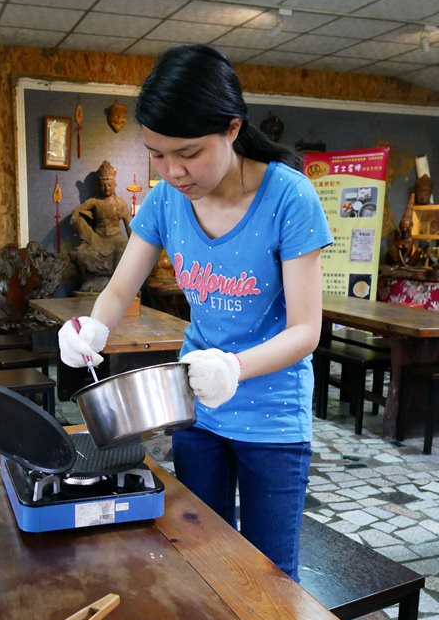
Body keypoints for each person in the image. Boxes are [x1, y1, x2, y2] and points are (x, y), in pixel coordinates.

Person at [59, 44, 332, 581]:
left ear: (232, 129)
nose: (172, 171)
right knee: (200, 552)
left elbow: (306, 330)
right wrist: (95, 324)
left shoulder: (289, 198)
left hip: (273, 418)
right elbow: (118, 289)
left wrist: (234, 368)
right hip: (197, 408)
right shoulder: (164, 201)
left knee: (270, 575)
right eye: (157, 154)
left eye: (188, 153)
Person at [70, 160, 132, 292]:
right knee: (81, 253)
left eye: (109, 185)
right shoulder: (94, 202)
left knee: (123, 249)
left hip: (115, 239)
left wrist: (135, 245)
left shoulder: (120, 204)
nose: (106, 188)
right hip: (97, 238)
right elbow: (76, 212)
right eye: (103, 185)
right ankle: (87, 281)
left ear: (114, 185)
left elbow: (129, 227)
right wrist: (82, 224)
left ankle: (116, 284)